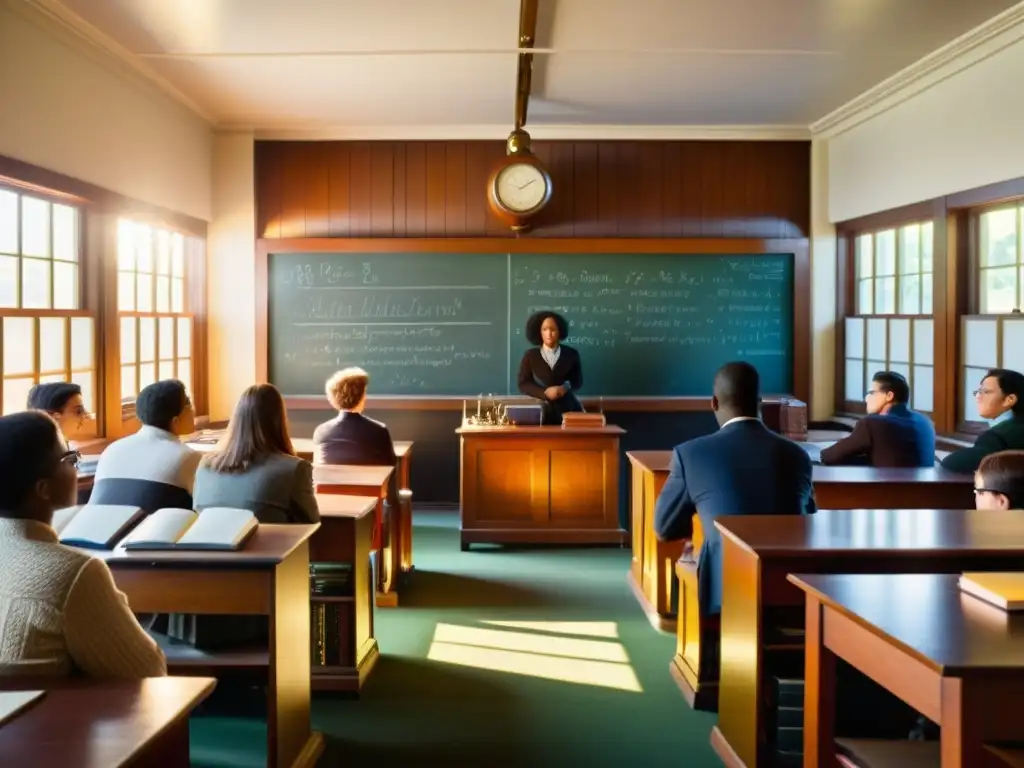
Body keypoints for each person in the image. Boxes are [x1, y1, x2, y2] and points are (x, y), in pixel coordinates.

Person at [0, 411, 166, 678]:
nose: (76, 466)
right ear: (43, 489)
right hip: (45, 717)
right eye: (69, 459)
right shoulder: (74, 572)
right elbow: (147, 670)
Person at [653, 361, 816, 615]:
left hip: (725, 593)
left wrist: (701, 530)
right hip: (790, 591)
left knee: (694, 558)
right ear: (759, 402)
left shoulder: (691, 454)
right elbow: (808, 519)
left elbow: (663, 529)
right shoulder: (797, 455)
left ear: (714, 403)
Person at [193, 383, 320, 524]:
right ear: (280, 421)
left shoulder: (205, 465)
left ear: (237, 418)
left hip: (208, 545)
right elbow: (312, 524)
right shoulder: (294, 469)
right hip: (271, 545)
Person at [90, 379, 201, 512]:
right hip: (151, 531)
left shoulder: (113, 448)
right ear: (175, 421)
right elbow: (203, 505)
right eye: (188, 404)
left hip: (99, 528)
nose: (193, 410)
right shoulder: (187, 456)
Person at [820, 371, 936, 467]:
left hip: (888, 492)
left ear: (889, 396)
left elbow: (829, 456)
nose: (866, 399)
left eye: (871, 393)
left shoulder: (873, 423)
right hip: (926, 491)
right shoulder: (925, 422)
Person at [941, 368, 1024, 473]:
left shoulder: (997, 437)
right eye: (978, 392)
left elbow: (953, 463)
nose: (978, 397)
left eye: (986, 392)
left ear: (1009, 399)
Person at [312, 367, 396, 467]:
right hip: (367, 482)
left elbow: (317, 466)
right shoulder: (379, 430)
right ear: (361, 397)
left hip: (329, 482)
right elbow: (390, 465)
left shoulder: (321, 431)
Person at [517, 310, 584, 425]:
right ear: (539, 332)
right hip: (540, 412)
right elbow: (523, 383)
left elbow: (577, 381)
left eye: (552, 329)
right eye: (545, 329)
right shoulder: (531, 356)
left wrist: (564, 388)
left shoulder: (571, 354)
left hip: (568, 410)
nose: (549, 334)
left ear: (559, 331)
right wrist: (545, 393)